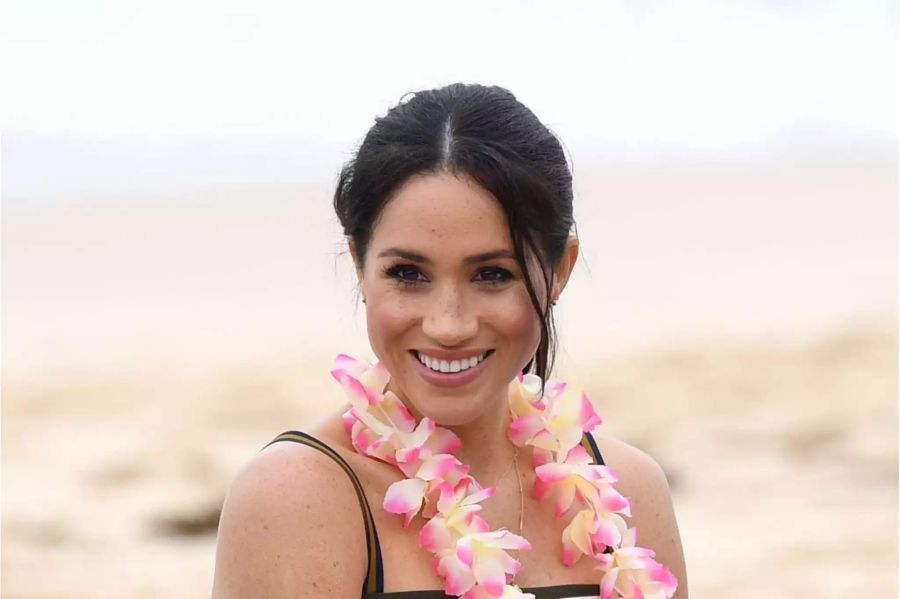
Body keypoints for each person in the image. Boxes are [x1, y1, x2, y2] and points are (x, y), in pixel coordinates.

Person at [212, 83, 688, 599]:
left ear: (559, 270)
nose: (449, 325)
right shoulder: (297, 497)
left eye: (492, 274)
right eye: (408, 273)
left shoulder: (630, 491)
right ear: (358, 264)